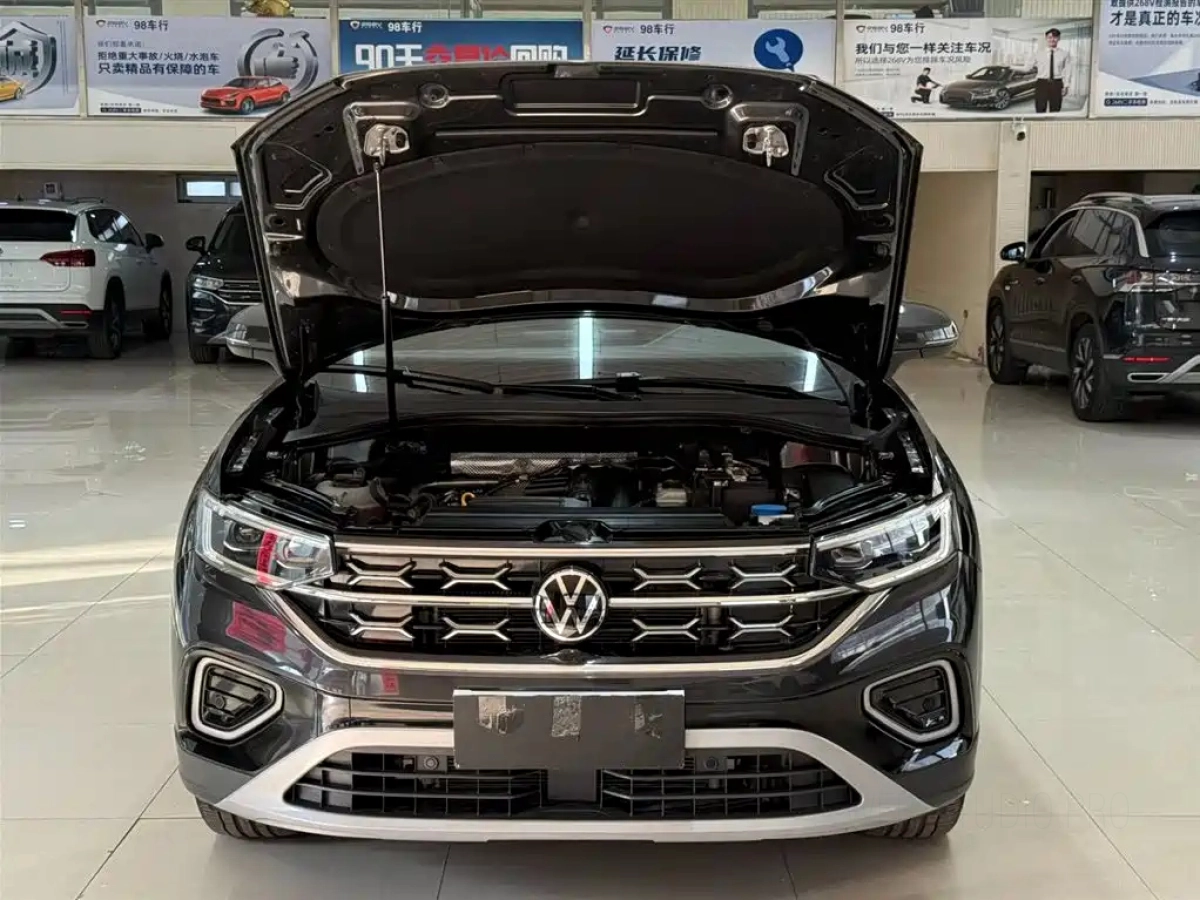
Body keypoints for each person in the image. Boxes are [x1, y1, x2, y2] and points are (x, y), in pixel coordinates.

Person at [1033, 28, 1072, 114]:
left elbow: (1068, 70)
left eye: (1055, 37)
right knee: (1040, 110)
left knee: (1055, 110)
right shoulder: (1038, 53)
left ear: (1059, 38)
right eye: (1050, 37)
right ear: (1046, 38)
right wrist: (1012, 67)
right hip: (1041, 83)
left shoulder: (1065, 54)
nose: (1052, 39)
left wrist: (1066, 86)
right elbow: (1028, 67)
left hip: (1057, 84)